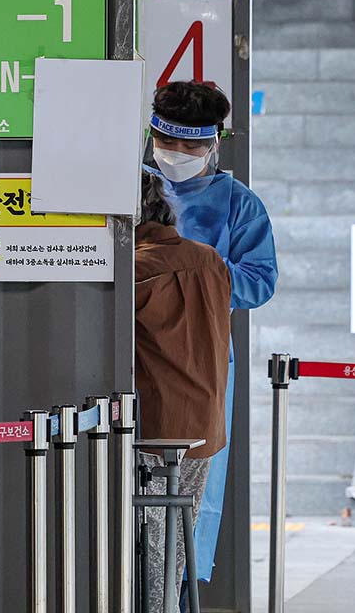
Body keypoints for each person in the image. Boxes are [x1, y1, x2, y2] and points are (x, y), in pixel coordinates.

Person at [146, 81, 279, 585]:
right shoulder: (132, 187)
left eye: (191, 145)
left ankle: (172, 592)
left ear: (214, 144)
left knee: (185, 506)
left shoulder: (238, 205)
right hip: (132, 356)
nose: (176, 155)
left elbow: (260, 280)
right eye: (167, 142)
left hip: (198, 362)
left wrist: (193, 278)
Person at [135, 171, 232, 610]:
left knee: (153, 544)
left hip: (156, 426)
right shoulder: (210, 261)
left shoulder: (134, 270)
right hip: (205, 424)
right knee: (175, 543)